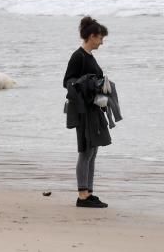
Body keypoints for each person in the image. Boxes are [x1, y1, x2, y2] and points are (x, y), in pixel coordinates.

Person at [64, 16, 112, 209]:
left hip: (94, 109)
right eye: (101, 38)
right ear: (92, 36)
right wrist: (89, 84)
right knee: (85, 151)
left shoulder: (89, 57)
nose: (102, 42)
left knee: (93, 151)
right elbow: (67, 82)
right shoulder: (78, 56)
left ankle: (89, 192)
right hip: (83, 111)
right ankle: (82, 196)